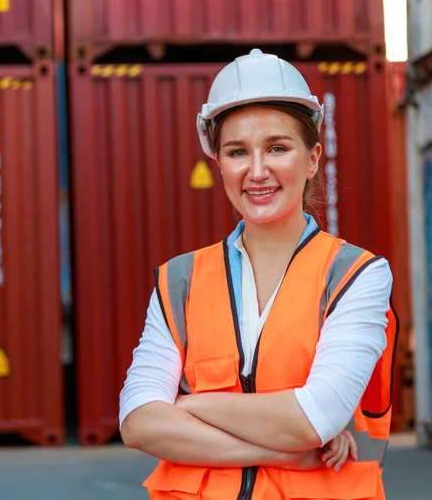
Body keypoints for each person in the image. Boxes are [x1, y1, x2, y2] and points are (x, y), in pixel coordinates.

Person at [119, 49, 398, 500]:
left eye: (277, 148)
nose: (256, 171)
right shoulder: (180, 281)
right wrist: (283, 452)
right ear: (220, 164)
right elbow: (137, 422)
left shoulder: (356, 275)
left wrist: (187, 405)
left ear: (312, 159)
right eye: (237, 151)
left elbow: (314, 418)